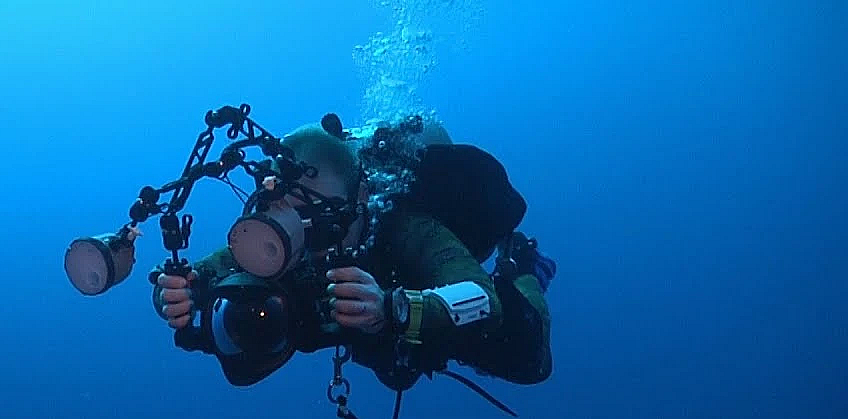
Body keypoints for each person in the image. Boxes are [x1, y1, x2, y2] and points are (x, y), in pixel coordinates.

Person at [152, 116, 556, 395]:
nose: (299, 238)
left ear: (360, 198)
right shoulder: (274, 245)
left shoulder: (403, 226)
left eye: (319, 218)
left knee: (526, 358)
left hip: (419, 306)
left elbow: (483, 297)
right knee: (390, 370)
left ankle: (524, 266)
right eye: (285, 219)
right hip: (368, 333)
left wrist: (397, 309)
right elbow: (203, 272)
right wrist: (178, 294)